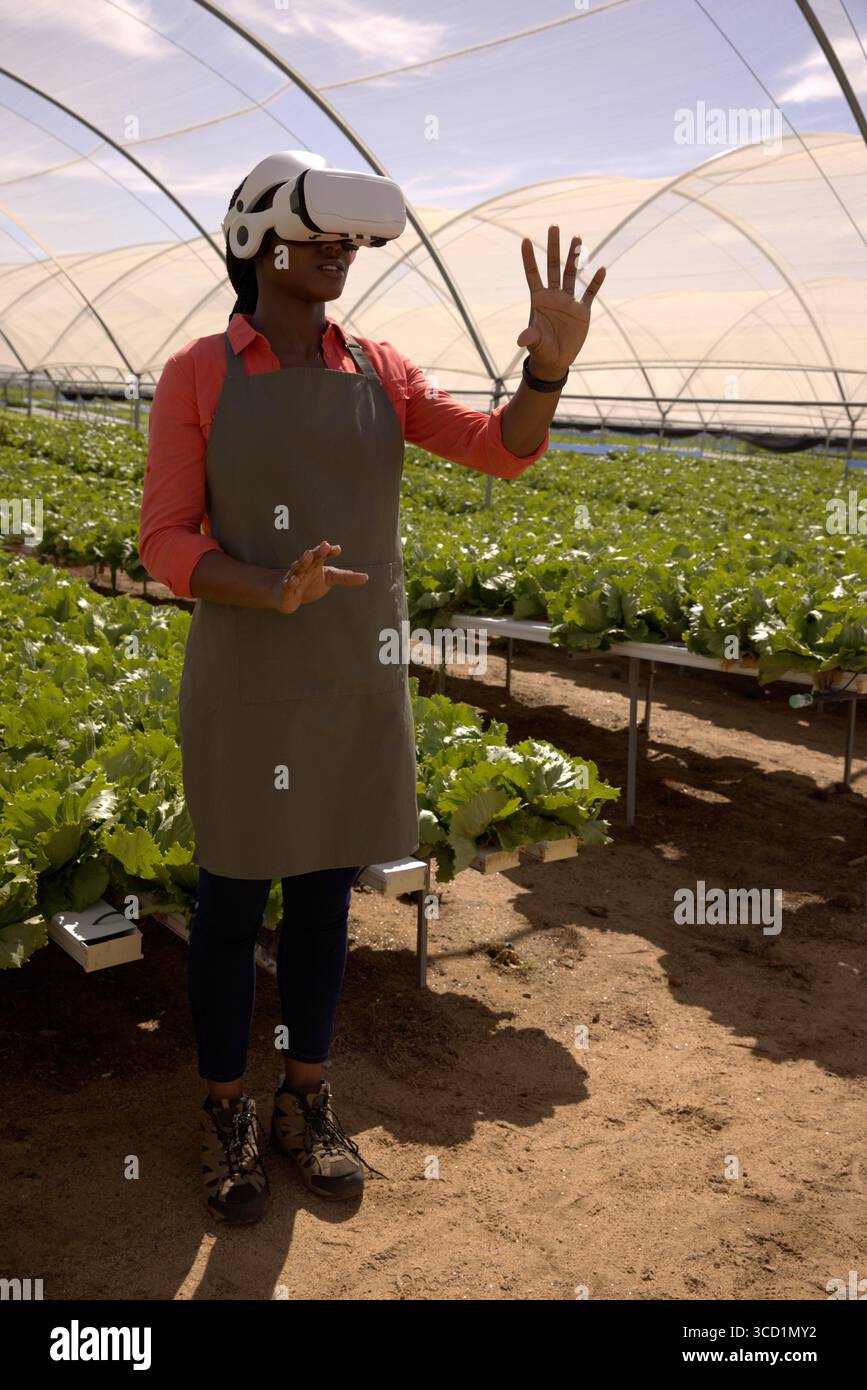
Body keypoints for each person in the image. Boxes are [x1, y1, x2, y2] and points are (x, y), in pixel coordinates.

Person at [139, 150, 606, 1225]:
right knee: (228, 901)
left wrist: (547, 372)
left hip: (354, 677)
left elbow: (501, 451)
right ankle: (225, 1111)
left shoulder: (381, 370)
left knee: (321, 899)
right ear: (259, 242)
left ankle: (307, 1098)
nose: (342, 253)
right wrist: (269, 584)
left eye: (352, 240)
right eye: (323, 237)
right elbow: (163, 540)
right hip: (249, 675)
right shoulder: (199, 372)